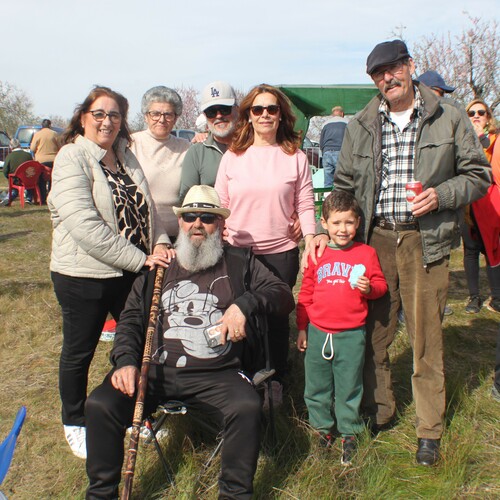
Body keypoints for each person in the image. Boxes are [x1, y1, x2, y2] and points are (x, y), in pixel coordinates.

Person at [306, 40, 491, 465]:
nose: (387, 78)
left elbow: (478, 176)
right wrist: (323, 228)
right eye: (377, 74)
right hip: (375, 241)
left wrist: (441, 195)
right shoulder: (363, 123)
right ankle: (378, 410)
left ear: (410, 66)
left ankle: (429, 429)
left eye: (393, 68)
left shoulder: (450, 116)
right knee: (374, 332)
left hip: (425, 240)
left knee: (426, 336)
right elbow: (345, 186)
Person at [85, 185, 295, 499]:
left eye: (207, 217)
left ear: (220, 224)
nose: (198, 223)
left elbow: (282, 294)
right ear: (180, 223)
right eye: (190, 216)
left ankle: (235, 494)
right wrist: (125, 362)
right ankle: (102, 494)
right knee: (100, 403)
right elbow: (130, 322)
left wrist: (245, 305)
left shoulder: (240, 263)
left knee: (247, 405)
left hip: (220, 373)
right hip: (154, 371)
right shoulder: (160, 269)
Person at [48, 86, 173, 460]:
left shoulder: (125, 157)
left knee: (138, 343)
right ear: (84, 117)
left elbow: (146, 211)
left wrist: (162, 242)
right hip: (83, 275)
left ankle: (138, 413)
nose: (107, 121)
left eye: (115, 114)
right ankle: (75, 420)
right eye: (99, 113)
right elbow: (85, 225)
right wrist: (140, 260)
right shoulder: (72, 157)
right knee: (80, 349)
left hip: (129, 272)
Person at [215, 83, 316, 399]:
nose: (265, 115)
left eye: (272, 109)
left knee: (274, 317)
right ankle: (242, 376)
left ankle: (276, 378)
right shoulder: (233, 156)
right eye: (258, 109)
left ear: (281, 115)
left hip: (280, 252)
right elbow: (220, 201)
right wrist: (218, 235)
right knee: (241, 314)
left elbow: (305, 202)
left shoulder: (295, 157)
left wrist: (310, 235)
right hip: (238, 252)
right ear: (248, 115)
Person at [297, 190, 387, 465]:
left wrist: (370, 288)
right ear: (324, 224)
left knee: (349, 385)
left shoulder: (366, 253)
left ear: (358, 222)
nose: (343, 229)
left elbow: (381, 285)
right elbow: (306, 293)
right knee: (317, 385)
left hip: (351, 333)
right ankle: (322, 429)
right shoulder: (317, 253)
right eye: (336, 223)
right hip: (319, 331)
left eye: (349, 222)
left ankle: (349, 431)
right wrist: (302, 327)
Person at [130, 86, 190, 241]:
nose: (161, 119)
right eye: (155, 114)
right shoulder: (130, 144)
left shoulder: (187, 147)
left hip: (179, 237)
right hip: (142, 233)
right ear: (145, 116)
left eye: (168, 114)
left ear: (176, 118)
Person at [460, 99, 499, 313]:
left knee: (492, 249)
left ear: (488, 117)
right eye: (471, 113)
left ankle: (497, 296)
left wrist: (481, 138)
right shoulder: (462, 140)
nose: (475, 116)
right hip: (468, 205)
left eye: (480, 112)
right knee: (470, 250)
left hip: (489, 205)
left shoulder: (494, 140)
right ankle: (474, 297)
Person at [179, 81, 239, 201]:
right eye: (211, 112)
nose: (218, 116)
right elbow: (187, 199)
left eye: (224, 109)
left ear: (237, 110)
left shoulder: (253, 146)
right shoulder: (196, 152)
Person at [30, 118, 61, 203]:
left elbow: (32, 148)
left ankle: (43, 199)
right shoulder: (55, 134)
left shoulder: (37, 134)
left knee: (41, 181)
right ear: (50, 125)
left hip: (41, 161)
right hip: (53, 160)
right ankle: (52, 198)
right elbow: (60, 146)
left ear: (42, 126)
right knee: (53, 180)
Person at [319, 106, 348, 188]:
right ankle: (342, 200)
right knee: (342, 181)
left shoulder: (325, 124)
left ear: (332, 114)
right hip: (341, 153)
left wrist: (323, 154)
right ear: (342, 114)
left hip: (327, 152)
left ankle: (327, 198)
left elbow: (321, 142)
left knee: (328, 182)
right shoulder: (347, 122)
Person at [1, 138, 33, 205]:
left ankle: (8, 198)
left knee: (14, 189)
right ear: (19, 145)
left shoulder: (9, 156)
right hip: (29, 179)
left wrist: (9, 177)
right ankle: (29, 198)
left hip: (16, 180)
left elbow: (5, 171)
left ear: (11, 146)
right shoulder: (28, 155)